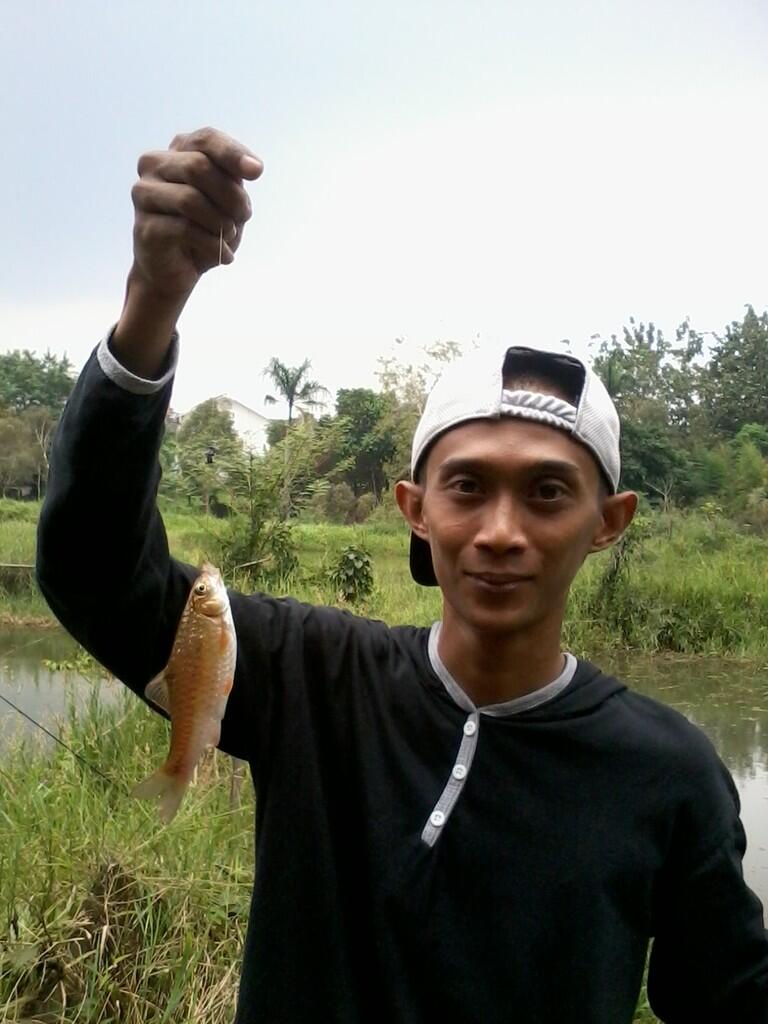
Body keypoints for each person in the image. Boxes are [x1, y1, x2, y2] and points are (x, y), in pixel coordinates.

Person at [36, 127, 768, 1024]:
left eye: (547, 492)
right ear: (415, 507)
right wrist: (152, 302)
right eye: (467, 487)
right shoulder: (312, 680)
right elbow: (91, 569)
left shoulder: (674, 774)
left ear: (607, 524)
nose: (502, 532)